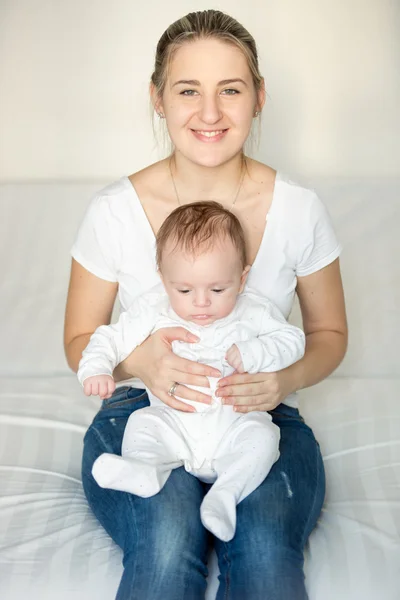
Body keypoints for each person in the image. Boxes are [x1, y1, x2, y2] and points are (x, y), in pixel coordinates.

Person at [64, 8, 347, 599]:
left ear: (260, 97)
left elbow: (329, 335)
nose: (211, 113)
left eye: (231, 90)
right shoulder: (114, 210)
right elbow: (80, 339)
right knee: (166, 545)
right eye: (188, 90)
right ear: (158, 98)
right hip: (142, 414)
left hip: (256, 416)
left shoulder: (299, 208)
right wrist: (141, 362)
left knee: (267, 553)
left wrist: (282, 380)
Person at [77, 201, 306, 542]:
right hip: (174, 425)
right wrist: (96, 369)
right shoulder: (153, 309)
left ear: (242, 278)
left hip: (235, 425)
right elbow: (108, 338)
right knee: (143, 423)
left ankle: (226, 493)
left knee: (264, 437)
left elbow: (293, 339)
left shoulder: (253, 311)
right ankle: (145, 468)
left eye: (217, 289)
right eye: (184, 290)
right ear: (163, 279)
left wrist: (257, 352)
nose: (201, 302)